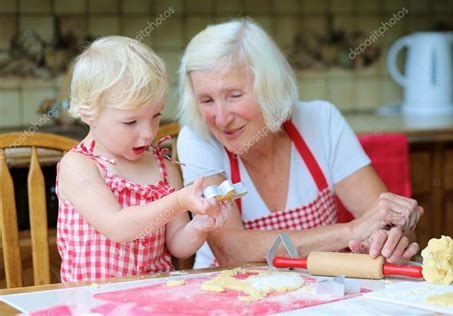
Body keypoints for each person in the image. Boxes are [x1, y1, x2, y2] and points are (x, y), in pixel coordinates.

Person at [177, 19, 423, 269]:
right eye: (206, 100)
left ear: (269, 86)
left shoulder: (321, 121)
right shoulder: (198, 138)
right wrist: (351, 231)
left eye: (235, 96)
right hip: (228, 293)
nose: (221, 118)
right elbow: (231, 250)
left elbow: (390, 224)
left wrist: (392, 241)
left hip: (316, 291)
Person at [56, 36, 231, 282]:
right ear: (89, 113)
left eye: (155, 116)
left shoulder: (163, 168)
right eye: (131, 122)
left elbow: (178, 244)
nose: (148, 132)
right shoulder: (79, 167)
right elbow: (118, 227)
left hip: (154, 297)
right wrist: (179, 201)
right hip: (93, 301)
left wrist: (200, 225)